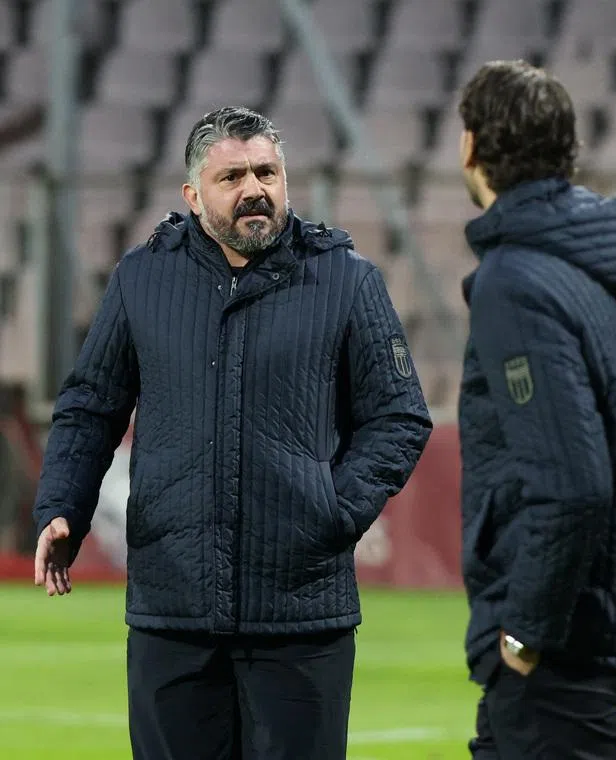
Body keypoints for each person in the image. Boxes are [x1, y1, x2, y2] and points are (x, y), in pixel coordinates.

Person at [31, 106, 433, 759]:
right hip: (173, 611)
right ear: (193, 196)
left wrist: (332, 513)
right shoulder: (142, 279)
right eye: (232, 176)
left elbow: (400, 415)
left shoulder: (348, 281)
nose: (255, 189)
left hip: (301, 615)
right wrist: (62, 506)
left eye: (267, 172)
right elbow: (89, 405)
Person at [455, 60, 616, 759]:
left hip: (559, 638)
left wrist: (526, 628)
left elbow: (573, 484)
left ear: (471, 147)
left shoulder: (515, 280)